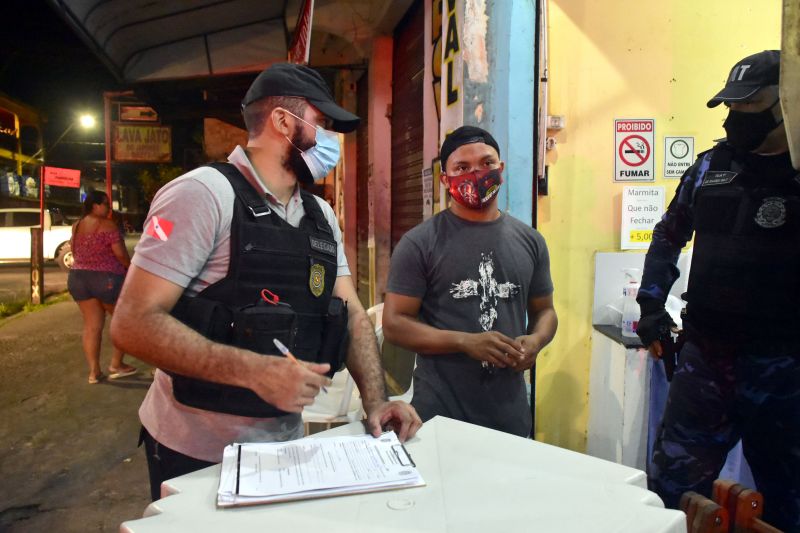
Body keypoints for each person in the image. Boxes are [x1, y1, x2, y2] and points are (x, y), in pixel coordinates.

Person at [110, 63, 421, 501]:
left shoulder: (320, 216)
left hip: (285, 452)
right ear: (282, 121)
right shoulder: (202, 194)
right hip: (197, 458)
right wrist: (255, 371)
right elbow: (132, 323)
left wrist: (376, 401)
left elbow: (350, 313)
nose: (331, 139)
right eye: (323, 123)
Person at [636, 50, 800, 530]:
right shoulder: (710, 169)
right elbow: (668, 236)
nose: (734, 120)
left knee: (786, 501)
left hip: (785, 368)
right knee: (671, 492)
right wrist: (650, 305)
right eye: (731, 108)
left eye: (748, 108)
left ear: (786, 105)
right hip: (708, 362)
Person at [382, 126, 558, 437]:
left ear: (500, 169)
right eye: (462, 168)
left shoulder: (530, 241)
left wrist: (536, 341)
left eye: (487, 163)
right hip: (438, 418)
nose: (477, 173)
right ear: (444, 179)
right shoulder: (420, 243)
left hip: (511, 418)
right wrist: (465, 342)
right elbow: (395, 324)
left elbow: (545, 311)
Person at [67, 190, 137, 384]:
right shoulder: (107, 225)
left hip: (78, 278)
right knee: (123, 322)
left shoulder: (76, 225)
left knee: (91, 327)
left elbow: (74, 250)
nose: (108, 208)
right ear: (94, 205)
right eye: (105, 204)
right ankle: (116, 364)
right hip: (107, 279)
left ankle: (94, 372)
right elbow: (120, 254)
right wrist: (131, 269)